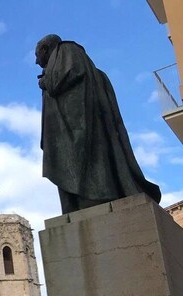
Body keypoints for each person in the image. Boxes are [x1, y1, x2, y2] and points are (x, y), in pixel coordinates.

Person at [36, 34, 161, 214]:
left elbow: (58, 82)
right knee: (74, 165)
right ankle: (82, 200)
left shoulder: (67, 50)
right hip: (71, 128)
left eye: (36, 55)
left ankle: (93, 197)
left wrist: (44, 82)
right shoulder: (70, 59)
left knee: (84, 162)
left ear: (46, 49)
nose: (36, 61)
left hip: (77, 128)